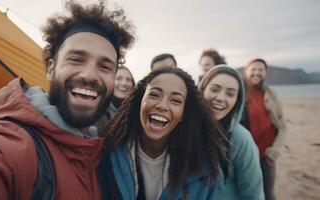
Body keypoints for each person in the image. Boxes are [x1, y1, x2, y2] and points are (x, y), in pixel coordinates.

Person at [0, 1, 135, 199]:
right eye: (76, 59)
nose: (90, 75)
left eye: (105, 67)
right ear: (50, 68)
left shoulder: (102, 158)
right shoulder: (8, 143)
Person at [99, 67, 228, 199]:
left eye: (176, 100)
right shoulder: (108, 155)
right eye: (154, 95)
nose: (162, 105)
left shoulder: (204, 169)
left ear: (183, 114)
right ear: (140, 102)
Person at [199, 65, 264, 200]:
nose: (221, 98)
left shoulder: (240, 138)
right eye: (214, 89)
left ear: (237, 101)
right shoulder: (186, 130)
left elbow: (253, 193)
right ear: (202, 90)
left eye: (230, 94)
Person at [241, 58, 287, 200]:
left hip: (266, 156)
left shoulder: (271, 93)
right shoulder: (238, 91)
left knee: (268, 195)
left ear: (265, 72)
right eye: (253, 69)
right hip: (244, 156)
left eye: (260, 70)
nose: (257, 73)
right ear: (246, 71)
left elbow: (282, 125)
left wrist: (275, 151)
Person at [95, 65, 135, 135]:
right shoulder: (96, 111)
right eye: (118, 79)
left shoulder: (136, 113)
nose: (124, 83)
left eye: (128, 80)